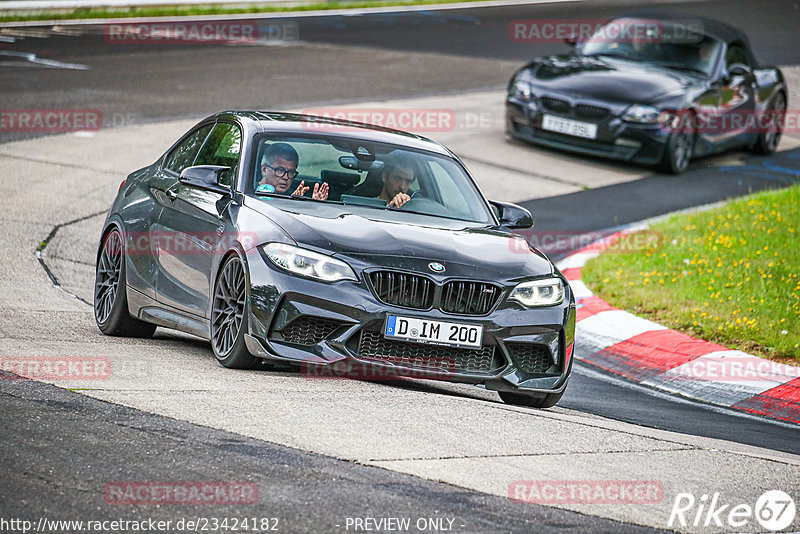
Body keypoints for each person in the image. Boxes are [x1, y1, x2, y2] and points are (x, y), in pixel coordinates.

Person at [259, 142, 328, 200]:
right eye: (280, 170)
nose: (286, 177)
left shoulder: (296, 195)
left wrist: (314, 206)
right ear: (264, 170)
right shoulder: (251, 194)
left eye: (291, 172)